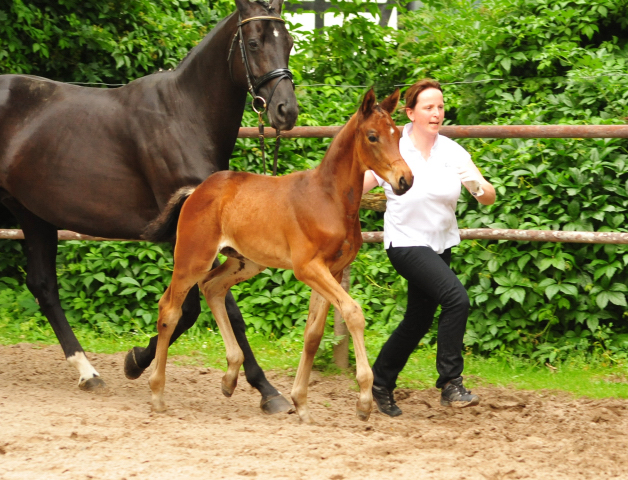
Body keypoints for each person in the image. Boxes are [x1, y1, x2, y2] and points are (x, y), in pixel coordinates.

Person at [363, 79, 496, 416]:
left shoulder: (452, 151)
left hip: (440, 244)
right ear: (410, 113)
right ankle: (451, 383)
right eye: (428, 107)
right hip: (406, 242)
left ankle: (380, 381)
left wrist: (478, 187)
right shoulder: (395, 146)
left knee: (417, 320)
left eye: (440, 107)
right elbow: (358, 183)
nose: (436, 113)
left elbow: (487, 197)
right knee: (456, 300)